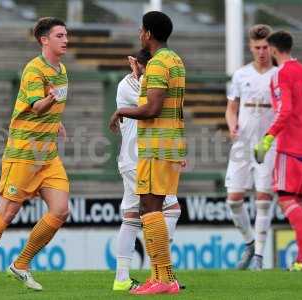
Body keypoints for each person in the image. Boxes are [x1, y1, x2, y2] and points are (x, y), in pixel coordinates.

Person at [0, 17, 70, 294]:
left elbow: (46, 109)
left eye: (66, 35)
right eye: (59, 35)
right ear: (44, 40)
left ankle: (21, 265)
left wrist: (56, 121)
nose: (65, 40)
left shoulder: (61, 70)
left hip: (47, 156)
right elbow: (37, 106)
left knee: (60, 211)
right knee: (7, 213)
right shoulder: (34, 70)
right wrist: (49, 101)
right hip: (23, 154)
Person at [110, 11, 186, 295]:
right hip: (171, 142)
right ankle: (162, 277)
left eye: (142, 30)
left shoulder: (156, 65)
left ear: (148, 34)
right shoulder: (175, 60)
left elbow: (152, 108)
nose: (140, 34)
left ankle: (163, 279)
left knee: (150, 210)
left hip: (155, 145)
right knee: (155, 209)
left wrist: (120, 110)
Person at [254, 30, 302, 271]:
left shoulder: (280, 74)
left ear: (273, 49)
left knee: (284, 198)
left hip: (290, 147)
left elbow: (285, 110)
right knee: (299, 202)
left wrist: (268, 138)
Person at [225, 24, 276, 270]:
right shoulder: (241, 75)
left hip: (268, 143)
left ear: (272, 47)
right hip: (242, 142)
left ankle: (258, 257)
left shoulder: (278, 75)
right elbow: (231, 108)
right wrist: (232, 125)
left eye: (265, 47)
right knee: (234, 199)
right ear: (250, 47)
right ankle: (249, 242)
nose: (262, 52)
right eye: (257, 47)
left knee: (263, 197)